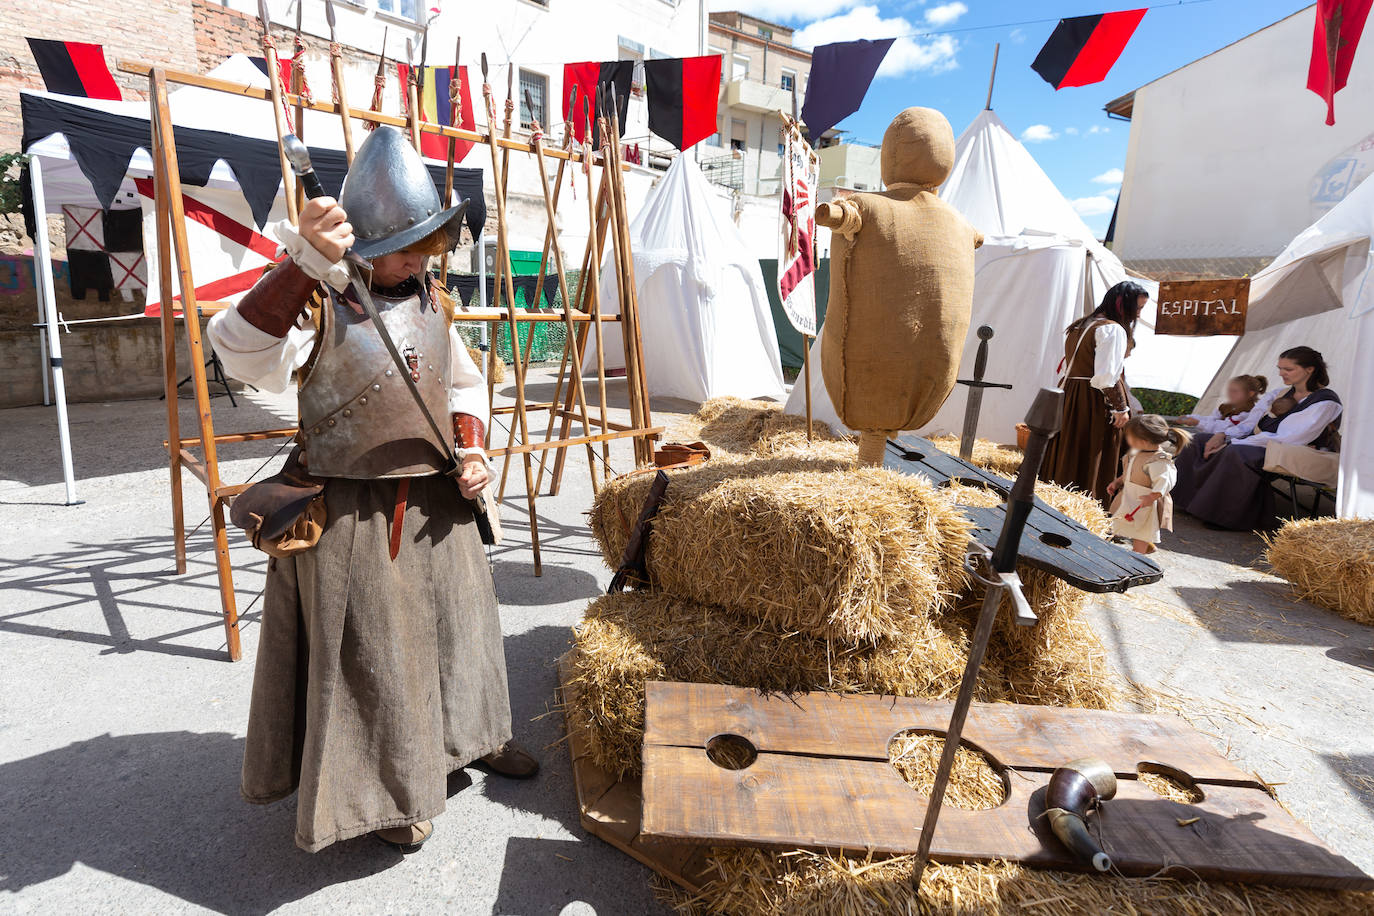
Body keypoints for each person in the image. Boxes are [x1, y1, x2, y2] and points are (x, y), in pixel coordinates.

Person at [205, 126, 538, 855]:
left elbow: (463, 386)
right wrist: (303, 260)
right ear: (361, 244)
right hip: (353, 509)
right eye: (404, 242)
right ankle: (389, 794)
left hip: (441, 502)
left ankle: (471, 740)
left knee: (461, 634)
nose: (420, 255)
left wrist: (474, 450)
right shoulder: (319, 300)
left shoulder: (433, 300)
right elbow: (234, 348)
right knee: (377, 659)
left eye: (428, 240)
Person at [1173, 346, 1342, 531]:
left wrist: (1232, 442)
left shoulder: (1326, 402)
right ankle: (1187, 500)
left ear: (1310, 370)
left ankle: (1225, 516)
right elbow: (1249, 426)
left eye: (1288, 369)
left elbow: (1290, 438)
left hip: (1297, 451)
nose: (1281, 373)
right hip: (1263, 443)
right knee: (1199, 440)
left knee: (1238, 452)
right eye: (1280, 368)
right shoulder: (1277, 394)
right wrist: (1223, 435)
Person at [1041, 280, 1149, 502]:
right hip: (1091, 400)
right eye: (1137, 308)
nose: (1138, 315)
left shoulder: (1081, 325)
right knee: (1092, 450)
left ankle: (1061, 500)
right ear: (1123, 305)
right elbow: (1106, 377)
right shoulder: (1111, 329)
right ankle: (1085, 503)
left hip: (1072, 393)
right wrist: (1120, 408)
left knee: (1070, 447)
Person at [1108, 415, 1190, 554]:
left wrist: (1152, 497)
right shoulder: (1137, 452)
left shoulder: (1159, 461)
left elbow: (1165, 482)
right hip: (1129, 495)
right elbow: (1131, 470)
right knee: (1122, 522)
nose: (1126, 440)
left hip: (1144, 502)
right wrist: (1118, 482)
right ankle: (1147, 545)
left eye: (1129, 437)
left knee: (1142, 530)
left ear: (1143, 441)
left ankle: (1138, 556)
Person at [1176, 374, 1268, 435]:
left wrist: (1197, 423)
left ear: (1250, 393)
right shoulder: (1226, 406)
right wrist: (1189, 417)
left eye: (1235, 391)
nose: (1230, 394)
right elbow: (1211, 419)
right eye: (1229, 390)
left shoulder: (1248, 412)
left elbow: (1223, 427)